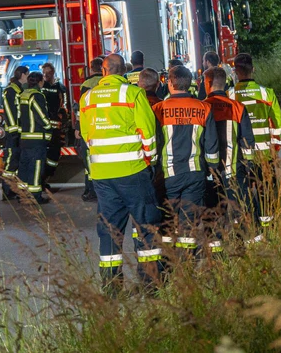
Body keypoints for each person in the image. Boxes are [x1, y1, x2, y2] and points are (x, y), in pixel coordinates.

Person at [79, 53, 162, 289]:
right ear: (123, 71)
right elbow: (148, 132)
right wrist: (150, 160)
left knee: (109, 230)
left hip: (102, 176)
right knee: (145, 225)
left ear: (103, 72)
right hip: (134, 171)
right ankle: (150, 282)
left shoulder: (87, 98)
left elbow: (87, 136)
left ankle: (111, 286)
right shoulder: (133, 93)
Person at [152, 65, 219, 254]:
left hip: (167, 175)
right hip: (195, 173)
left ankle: (166, 262)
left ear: (170, 84)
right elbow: (211, 144)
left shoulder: (158, 109)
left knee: (167, 220)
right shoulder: (204, 108)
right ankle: (186, 265)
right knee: (188, 222)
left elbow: (154, 142)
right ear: (189, 84)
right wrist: (212, 170)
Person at [232, 52, 281, 237]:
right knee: (266, 193)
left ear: (236, 72)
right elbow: (277, 123)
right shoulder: (266, 93)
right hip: (264, 155)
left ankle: (249, 231)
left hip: (240, 157)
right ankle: (269, 230)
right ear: (253, 69)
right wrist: (274, 148)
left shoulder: (230, 96)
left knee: (243, 194)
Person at [201, 66, 256, 234]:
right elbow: (247, 141)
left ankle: (216, 253)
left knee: (213, 217)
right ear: (225, 83)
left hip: (210, 173)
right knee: (242, 213)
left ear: (208, 83)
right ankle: (245, 246)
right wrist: (249, 166)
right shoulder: (237, 107)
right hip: (234, 170)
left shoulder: (202, 108)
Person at [16, 71, 55, 204]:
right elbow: (41, 115)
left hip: (24, 138)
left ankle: (23, 195)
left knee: (24, 167)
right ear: (40, 82)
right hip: (37, 139)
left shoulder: (22, 95)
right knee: (36, 166)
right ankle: (35, 196)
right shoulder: (36, 96)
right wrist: (49, 126)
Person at [75, 57, 105, 202]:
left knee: (89, 160)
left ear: (91, 68)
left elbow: (82, 110)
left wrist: (78, 127)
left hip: (91, 125)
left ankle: (90, 189)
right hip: (106, 124)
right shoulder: (107, 82)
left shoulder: (86, 84)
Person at [0, 66, 27, 201]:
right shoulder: (11, 90)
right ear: (22, 75)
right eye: (27, 74)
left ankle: (14, 190)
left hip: (19, 132)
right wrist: (15, 130)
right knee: (11, 162)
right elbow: (10, 112)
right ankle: (7, 191)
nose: (28, 77)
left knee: (17, 162)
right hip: (13, 133)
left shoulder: (19, 90)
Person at [40, 63, 68, 184]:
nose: (46, 75)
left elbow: (64, 105)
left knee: (54, 154)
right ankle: (42, 179)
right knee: (42, 154)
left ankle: (47, 175)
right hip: (42, 127)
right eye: (44, 73)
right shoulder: (40, 87)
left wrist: (64, 117)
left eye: (48, 72)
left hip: (56, 128)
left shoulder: (60, 87)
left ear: (53, 72)